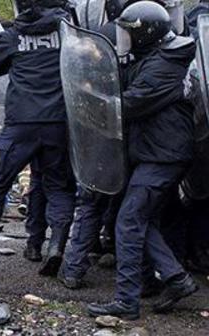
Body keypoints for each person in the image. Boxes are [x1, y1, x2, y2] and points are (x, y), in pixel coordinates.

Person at [87, 2, 198, 320]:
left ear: (146, 33)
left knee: (128, 221)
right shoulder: (160, 55)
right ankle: (175, 279)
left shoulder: (162, 66)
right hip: (158, 151)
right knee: (142, 220)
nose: (124, 39)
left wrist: (88, 100)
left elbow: (129, 105)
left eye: (128, 33)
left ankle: (127, 301)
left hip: (162, 156)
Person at [0, 0, 76, 279]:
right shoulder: (69, 34)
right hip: (57, 123)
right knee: (57, 187)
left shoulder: (13, 36)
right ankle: (53, 247)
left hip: (20, 124)